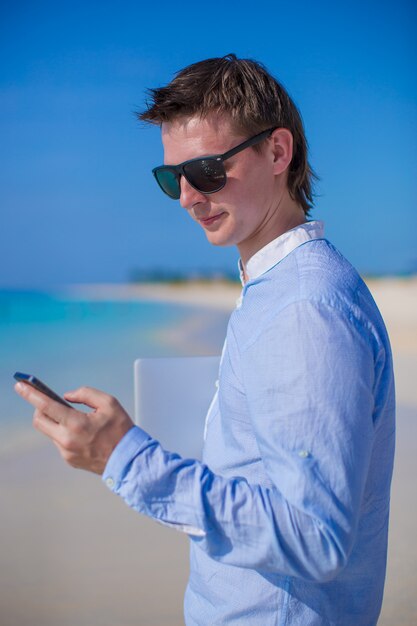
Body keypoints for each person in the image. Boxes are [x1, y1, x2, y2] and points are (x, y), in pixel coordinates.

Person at [15, 54, 395, 625]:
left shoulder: (303, 309)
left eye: (209, 170)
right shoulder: (274, 289)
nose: (190, 196)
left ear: (277, 152)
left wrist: (126, 459)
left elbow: (315, 537)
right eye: (173, 178)